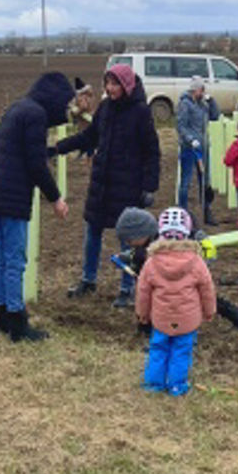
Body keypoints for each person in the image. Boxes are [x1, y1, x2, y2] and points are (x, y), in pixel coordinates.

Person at [55, 63, 161, 308]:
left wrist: (149, 186)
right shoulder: (105, 108)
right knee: (92, 233)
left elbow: (152, 151)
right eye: (108, 83)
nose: (110, 88)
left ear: (126, 85)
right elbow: (89, 136)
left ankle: (127, 288)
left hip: (128, 186)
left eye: (115, 84)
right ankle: (88, 279)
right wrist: (59, 147)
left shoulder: (140, 112)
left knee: (128, 240)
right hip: (101, 184)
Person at [0, 72, 73, 343]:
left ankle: (2, 315)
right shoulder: (36, 115)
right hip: (14, 196)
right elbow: (36, 165)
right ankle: (17, 323)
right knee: (15, 260)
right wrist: (55, 198)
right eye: (64, 103)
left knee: (2, 257)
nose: (65, 109)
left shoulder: (17, 108)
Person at [136, 207, 216, 397]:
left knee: (158, 348)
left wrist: (142, 314)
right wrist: (209, 311)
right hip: (188, 320)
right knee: (182, 350)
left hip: (161, 318)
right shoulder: (196, 261)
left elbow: (143, 291)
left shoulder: (152, 262)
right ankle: (177, 385)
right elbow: (207, 289)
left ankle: (154, 384)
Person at [175, 76, 220, 226]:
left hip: (203, 147)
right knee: (186, 181)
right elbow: (181, 126)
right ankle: (182, 213)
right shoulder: (185, 104)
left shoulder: (203, 104)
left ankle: (207, 211)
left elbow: (215, 116)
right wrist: (190, 139)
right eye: (202, 89)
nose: (204, 92)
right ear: (196, 90)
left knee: (205, 180)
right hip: (189, 148)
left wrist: (212, 101)